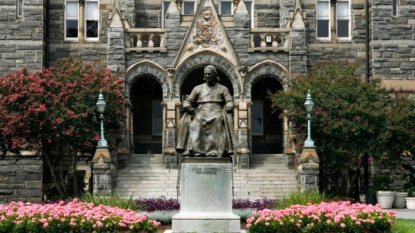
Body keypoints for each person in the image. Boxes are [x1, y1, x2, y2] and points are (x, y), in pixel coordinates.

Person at [176, 65, 237, 157]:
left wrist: (229, 105)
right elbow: (188, 101)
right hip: (201, 110)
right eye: (206, 74)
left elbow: (229, 101)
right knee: (197, 121)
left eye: (209, 74)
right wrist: (187, 106)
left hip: (217, 110)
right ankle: (198, 151)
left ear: (214, 75)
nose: (207, 75)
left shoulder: (223, 88)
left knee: (217, 121)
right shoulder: (197, 88)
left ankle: (214, 151)